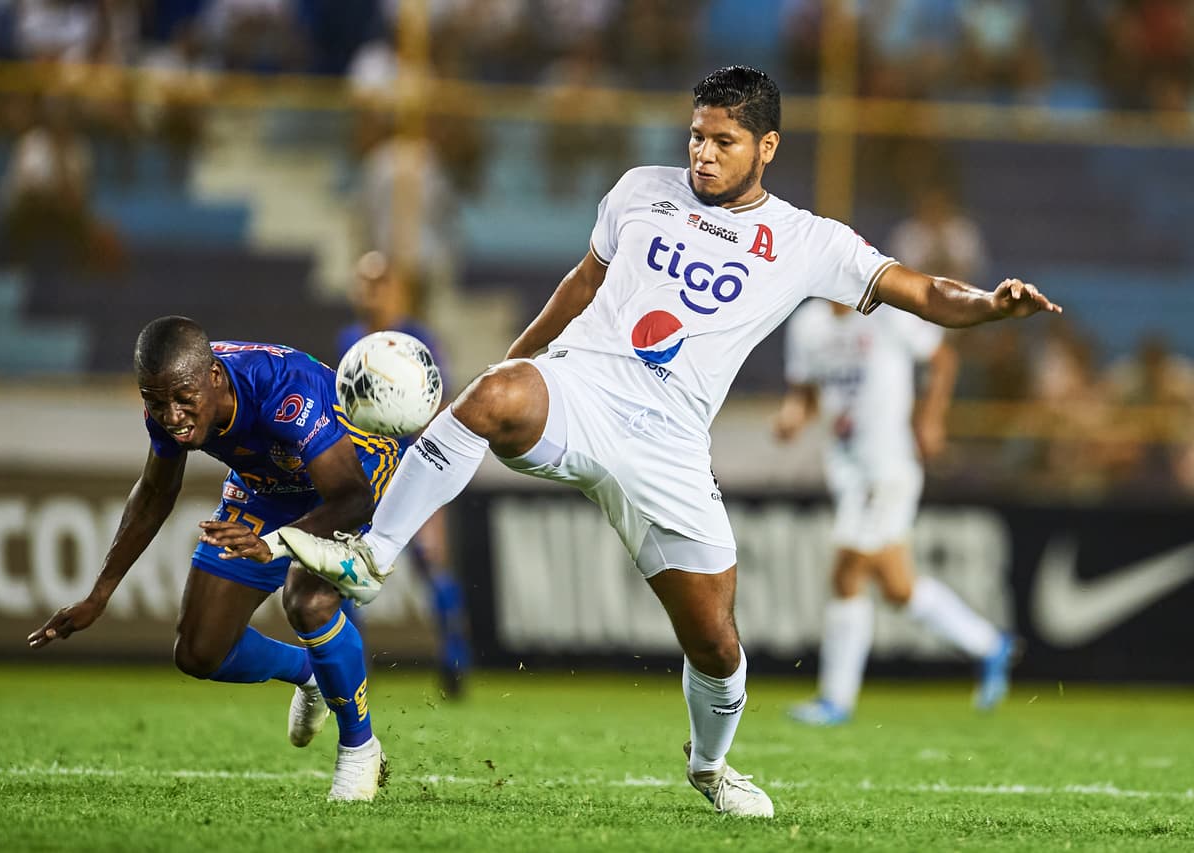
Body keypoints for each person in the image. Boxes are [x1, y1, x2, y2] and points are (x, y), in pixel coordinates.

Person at [233, 65, 1061, 819]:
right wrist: (518, 357)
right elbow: (581, 283)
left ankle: (710, 766)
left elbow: (918, 289)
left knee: (716, 643)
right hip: (583, 389)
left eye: (723, 142)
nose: (702, 154)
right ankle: (373, 557)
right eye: (696, 136)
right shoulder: (640, 189)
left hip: (669, 446)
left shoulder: (810, 241)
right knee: (493, 396)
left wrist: (989, 304)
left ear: (766, 146)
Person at [27, 316, 399, 803]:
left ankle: (359, 748)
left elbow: (350, 497)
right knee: (199, 652)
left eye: (184, 399)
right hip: (267, 487)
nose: (172, 415)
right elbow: (157, 490)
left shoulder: (283, 391)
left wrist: (279, 542)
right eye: (156, 403)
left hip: (353, 477)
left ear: (215, 378)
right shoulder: (168, 394)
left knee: (307, 600)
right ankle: (312, 674)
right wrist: (100, 594)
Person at [774, 300, 1016, 726]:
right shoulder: (808, 324)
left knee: (847, 571)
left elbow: (943, 358)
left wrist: (931, 419)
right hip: (846, 471)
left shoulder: (888, 313)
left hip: (887, 467)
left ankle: (836, 700)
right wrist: (794, 415)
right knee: (898, 588)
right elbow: (806, 394)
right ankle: (989, 645)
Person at [335, 250, 472, 696]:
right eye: (363, 281)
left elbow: (442, 403)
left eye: (378, 281)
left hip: (412, 470)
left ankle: (455, 661)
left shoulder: (418, 340)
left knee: (431, 562)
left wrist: (430, 469)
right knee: (349, 564)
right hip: (366, 473)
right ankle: (353, 663)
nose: (368, 291)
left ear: (397, 288)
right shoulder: (350, 341)